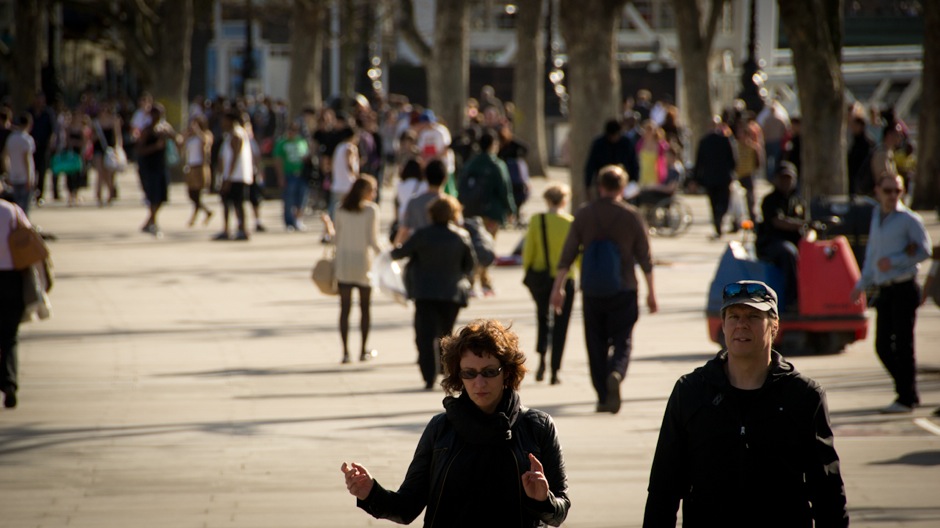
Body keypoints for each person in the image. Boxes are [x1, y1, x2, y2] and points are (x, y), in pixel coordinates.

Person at [643, 280, 849, 528]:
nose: (742, 324)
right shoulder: (691, 392)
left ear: (774, 325)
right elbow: (663, 487)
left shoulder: (803, 396)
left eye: (753, 316)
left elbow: (827, 492)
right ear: (723, 325)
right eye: (734, 316)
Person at [341, 319, 570, 527]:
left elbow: (559, 512)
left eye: (489, 372)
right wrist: (371, 492)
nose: (479, 382)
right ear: (458, 376)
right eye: (469, 373)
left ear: (507, 373)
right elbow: (407, 507)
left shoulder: (537, 426)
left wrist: (543, 500)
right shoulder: (441, 428)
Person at [550, 165, 657, 413]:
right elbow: (645, 257)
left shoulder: (584, 214)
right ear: (622, 187)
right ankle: (616, 372)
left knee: (595, 343)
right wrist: (652, 292)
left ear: (599, 186)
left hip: (593, 290)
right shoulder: (631, 216)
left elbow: (567, 254)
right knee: (623, 339)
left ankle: (601, 395)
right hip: (625, 289)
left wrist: (558, 288)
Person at [850, 174, 931, 413]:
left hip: (904, 286)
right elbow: (872, 256)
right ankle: (907, 389)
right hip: (885, 288)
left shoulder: (909, 219)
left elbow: (924, 251)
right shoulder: (877, 216)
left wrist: (895, 261)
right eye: (888, 190)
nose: (893, 195)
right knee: (882, 346)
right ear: (878, 191)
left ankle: (906, 397)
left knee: (904, 345)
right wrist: (861, 284)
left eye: (897, 190)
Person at [391, 195, 476, 390]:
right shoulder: (461, 236)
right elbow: (470, 265)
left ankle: (429, 375)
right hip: (451, 293)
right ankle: (447, 372)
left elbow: (399, 253)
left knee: (425, 336)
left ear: (431, 213)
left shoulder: (422, 234)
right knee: (447, 335)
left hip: (425, 292)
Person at [522, 184, 575, 385]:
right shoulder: (570, 222)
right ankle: (555, 370)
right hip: (566, 278)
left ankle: (542, 359)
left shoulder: (537, 220)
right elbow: (577, 253)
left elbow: (529, 250)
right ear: (564, 200)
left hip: (541, 276)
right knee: (562, 323)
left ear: (546, 200)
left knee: (542, 318)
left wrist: (528, 270)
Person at [457, 130, 516, 296]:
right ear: (493, 145)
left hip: (471, 212)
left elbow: (461, 187)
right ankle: (482, 282)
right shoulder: (496, 164)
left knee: (474, 247)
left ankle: (477, 280)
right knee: (486, 248)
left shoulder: (470, 163)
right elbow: (505, 189)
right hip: (492, 212)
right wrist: (511, 209)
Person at [756, 161, 807, 310]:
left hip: (796, 241)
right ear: (776, 179)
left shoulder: (798, 201)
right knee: (789, 253)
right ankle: (792, 300)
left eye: (789, 178)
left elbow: (806, 224)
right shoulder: (770, 200)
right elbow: (778, 221)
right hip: (772, 243)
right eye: (783, 178)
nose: (786, 182)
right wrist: (800, 225)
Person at [0, 198, 30, 408]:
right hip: (11, 277)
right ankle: (9, 382)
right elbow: (29, 237)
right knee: (10, 336)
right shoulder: (12, 210)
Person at [136, 104, 178, 237]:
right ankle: (153, 223)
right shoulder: (147, 131)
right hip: (149, 167)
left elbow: (178, 140)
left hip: (162, 166)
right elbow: (140, 150)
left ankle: (149, 222)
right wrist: (155, 146)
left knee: (162, 197)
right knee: (153, 196)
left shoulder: (165, 129)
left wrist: (171, 135)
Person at [694, 116, 737, 240]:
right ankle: (720, 217)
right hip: (723, 177)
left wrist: (697, 178)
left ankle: (717, 221)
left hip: (710, 178)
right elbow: (733, 160)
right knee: (724, 201)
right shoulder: (725, 140)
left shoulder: (704, 141)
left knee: (713, 202)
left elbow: (699, 162)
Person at [214, 110, 253, 241]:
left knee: (238, 203)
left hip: (236, 176)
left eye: (224, 120)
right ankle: (227, 229)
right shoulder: (230, 134)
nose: (222, 122)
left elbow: (235, 157)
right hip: (231, 175)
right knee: (227, 203)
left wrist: (228, 177)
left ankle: (242, 229)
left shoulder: (237, 134)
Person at [395, 159, 446, 244]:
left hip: (419, 246)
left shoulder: (414, 202)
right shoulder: (451, 203)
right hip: (443, 246)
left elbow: (404, 230)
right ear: (445, 178)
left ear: (425, 176)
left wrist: (395, 248)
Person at [584, 119, 639, 196]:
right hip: (604, 182)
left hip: (623, 183)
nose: (614, 138)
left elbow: (633, 162)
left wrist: (634, 181)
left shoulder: (626, 143)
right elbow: (591, 165)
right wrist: (588, 184)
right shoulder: (599, 144)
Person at [274, 121, 310, 231]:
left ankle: (298, 220)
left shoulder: (302, 142)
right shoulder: (282, 143)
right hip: (288, 174)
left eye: (295, 130)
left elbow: (306, 157)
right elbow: (278, 161)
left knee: (302, 198)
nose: (292, 132)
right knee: (289, 199)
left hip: (302, 174)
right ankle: (289, 222)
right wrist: (280, 176)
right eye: (290, 130)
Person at [91, 102, 125, 206]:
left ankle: (110, 194)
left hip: (110, 149)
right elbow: (91, 137)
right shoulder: (95, 122)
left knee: (109, 173)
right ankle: (99, 195)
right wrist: (95, 136)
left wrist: (118, 148)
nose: (103, 112)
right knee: (100, 173)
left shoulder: (114, 120)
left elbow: (118, 135)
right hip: (98, 149)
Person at [182, 115, 214, 226]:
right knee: (191, 193)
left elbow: (206, 142)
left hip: (200, 166)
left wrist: (198, 131)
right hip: (191, 165)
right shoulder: (191, 137)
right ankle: (206, 211)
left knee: (196, 194)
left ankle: (194, 218)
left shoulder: (206, 134)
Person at [2, 113, 36, 215]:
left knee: (16, 206)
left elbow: (4, 156)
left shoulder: (11, 138)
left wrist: (8, 171)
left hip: (14, 175)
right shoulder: (27, 139)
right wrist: (29, 177)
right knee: (24, 207)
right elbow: (26, 159)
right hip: (24, 177)